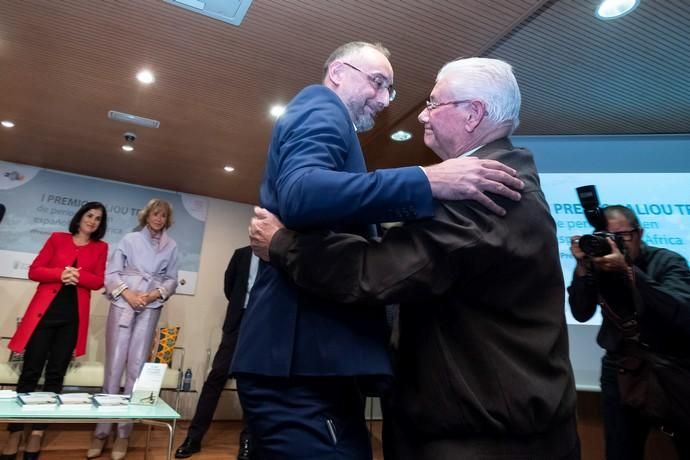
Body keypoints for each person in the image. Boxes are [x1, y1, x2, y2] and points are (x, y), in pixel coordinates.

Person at [248, 57, 580, 459]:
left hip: (482, 440)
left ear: (472, 113)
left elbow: (379, 273)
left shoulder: (487, 190)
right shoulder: (492, 182)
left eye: (434, 103)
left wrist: (282, 243)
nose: (421, 114)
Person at [568, 205, 690, 460]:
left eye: (622, 236)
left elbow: (680, 311)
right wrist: (582, 269)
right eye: (608, 238)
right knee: (620, 452)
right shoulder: (596, 267)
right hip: (620, 368)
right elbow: (580, 313)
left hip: (673, 367)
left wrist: (627, 270)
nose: (616, 244)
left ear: (640, 233)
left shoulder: (668, 261)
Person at [2, 202, 108, 460]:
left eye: (98, 219)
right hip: (44, 315)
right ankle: (15, 431)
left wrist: (78, 277)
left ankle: (37, 432)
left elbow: (98, 280)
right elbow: (34, 270)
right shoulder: (57, 239)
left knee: (55, 375)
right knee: (30, 371)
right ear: (80, 217)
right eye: (89, 215)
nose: (93, 221)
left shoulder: (101, 247)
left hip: (72, 319)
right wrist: (61, 274)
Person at [88, 199, 179, 460]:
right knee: (114, 366)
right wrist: (129, 294)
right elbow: (111, 273)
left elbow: (172, 278)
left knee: (136, 368)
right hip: (123, 302)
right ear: (146, 216)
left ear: (167, 219)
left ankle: (124, 434)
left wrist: (151, 295)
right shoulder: (129, 239)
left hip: (150, 306)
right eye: (155, 214)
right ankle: (101, 432)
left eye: (163, 215)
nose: (158, 219)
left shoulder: (171, 246)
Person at [175, 246, 259, 460]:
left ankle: (248, 442)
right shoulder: (242, 254)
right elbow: (229, 287)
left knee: (252, 384)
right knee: (216, 377)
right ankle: (194, 438)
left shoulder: (276, 257)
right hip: (236, 322)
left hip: (263, 326)